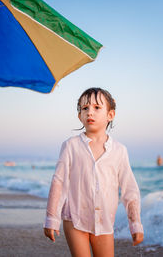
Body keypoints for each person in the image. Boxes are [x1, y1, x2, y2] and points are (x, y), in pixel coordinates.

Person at [43, 88, 144, 257]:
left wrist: (135, 224)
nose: (90, 112)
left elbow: (129, 189)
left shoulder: (119, 150)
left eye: (97, 107)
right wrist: (51, 219)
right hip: (74, 218)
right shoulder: (71, 145)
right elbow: (58, 182)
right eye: (85, 108)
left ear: (110, 115)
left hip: (104, 222)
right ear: (79, 116)